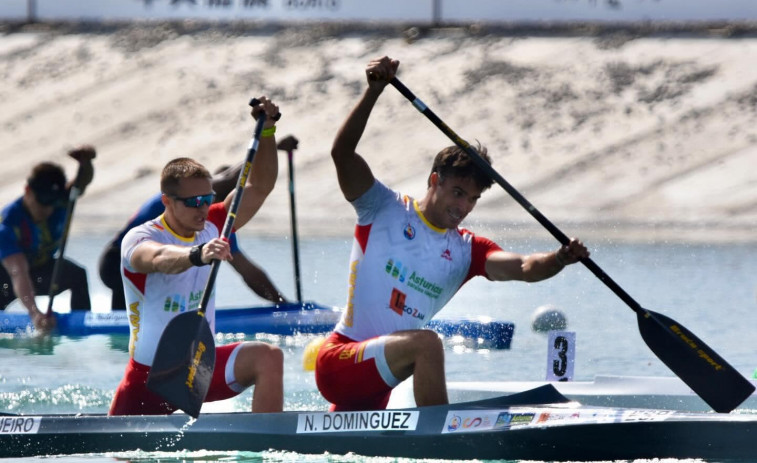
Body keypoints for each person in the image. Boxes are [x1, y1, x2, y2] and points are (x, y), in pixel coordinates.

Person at [314, 56, 590, 411]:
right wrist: (374, 92)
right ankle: (440, 432)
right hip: (340, 360)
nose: (464, 207)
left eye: (473, 199)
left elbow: (523, 267)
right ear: (435, 181)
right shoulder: (382, 207)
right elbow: (342, 153)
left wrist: (560, 258)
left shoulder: (467, 250)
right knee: (428, 344)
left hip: (377, 381)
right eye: (458, 193)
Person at [109, 97, 284, 415]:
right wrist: (198, 253)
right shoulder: (141, 237)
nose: (202, 208)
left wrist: (268, 130)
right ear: (167, 201)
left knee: (269, 357)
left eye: (207, 199)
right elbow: (159, 258)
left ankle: (268, 444)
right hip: (149, 378)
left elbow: (261, 186)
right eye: (192, 201)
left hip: (197, 370)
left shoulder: (216, 223)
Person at [98, 164, 288, 310]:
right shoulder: (177, 201)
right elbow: (230, 178)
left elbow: (248, 271)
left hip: (151, 270)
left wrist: (283, 304)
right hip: (116, 262)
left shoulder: (214, 224)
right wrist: (269, 140)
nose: (205, 207)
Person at [0, 146, 96, 332]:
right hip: (5, 277)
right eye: (41, 202)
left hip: (40, 268)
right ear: (27, 191)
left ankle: (84, 331)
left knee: (77, 275)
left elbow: (82, 183)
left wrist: (87, 163)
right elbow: (18, 272)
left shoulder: (60, 200)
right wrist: (35, 314)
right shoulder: (8, 225)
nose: (46, 210)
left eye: (51, 203)